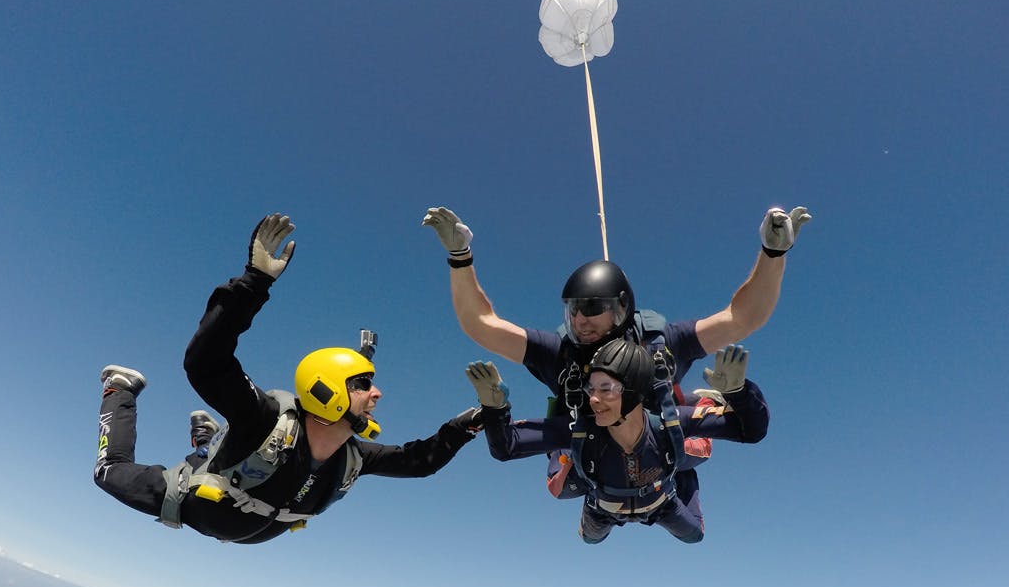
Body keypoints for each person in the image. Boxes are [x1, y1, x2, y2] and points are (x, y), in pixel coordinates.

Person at [94, 212, 480, 545]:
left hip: (233, 508)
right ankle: (120, 389)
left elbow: (420, 461)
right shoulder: (262, 418)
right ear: (326, 390)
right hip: (192, 505)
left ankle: (206, 440)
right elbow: (206, 363)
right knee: (108, 474)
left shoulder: (354, 456)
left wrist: (471, 424)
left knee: (225, 452)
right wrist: (253, 284)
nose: (377, 393)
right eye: (362, 385)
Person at [422, 203, 810, 495]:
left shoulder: (663, 344)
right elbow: (482, 325)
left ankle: (695, 414)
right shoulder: (560, 352)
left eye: (592, 309)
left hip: (663, 439)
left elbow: (742, 317)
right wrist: (460, 258)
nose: (580, 321)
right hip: (591, 445)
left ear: (622, 309)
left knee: (686, 466)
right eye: (573, 310)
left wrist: (772, 255)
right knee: (566, 488)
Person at [464, 340, 768, 544]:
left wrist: (738, 391)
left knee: (694, 533)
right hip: (603, 505)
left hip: (662, 499)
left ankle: (683, 462)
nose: (593, 399)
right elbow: (506, 447)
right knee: (584, 530)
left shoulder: (669, 423)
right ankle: (568, 460)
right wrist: (495, 410)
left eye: (605, 389)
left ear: (634, 390)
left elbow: (752, 430)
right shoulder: (581, 428)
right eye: (591, 389)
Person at [93, 367, 223, 517]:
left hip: (215, 506)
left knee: (107, 469)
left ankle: (120, 391)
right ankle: (205, 440)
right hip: (243, 524)